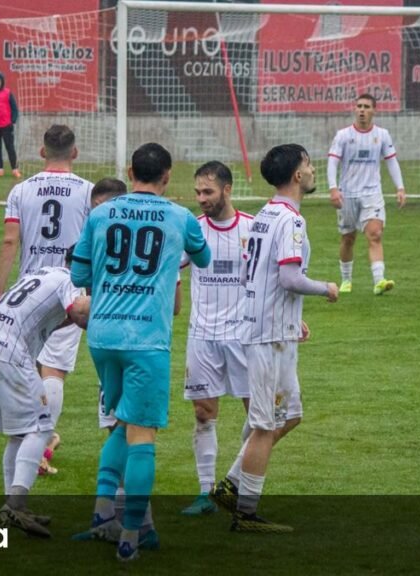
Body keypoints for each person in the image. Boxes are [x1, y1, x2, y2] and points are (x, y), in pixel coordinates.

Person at [70, 143, 211, 561]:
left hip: (102, 337)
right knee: (142, 434)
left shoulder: (100, 214)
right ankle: (131, 534)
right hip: (146, 340)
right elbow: (201, 258)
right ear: (167, 176)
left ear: (130, 171)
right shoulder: (180, 217)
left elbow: (78, 273)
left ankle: (101, 507)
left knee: (120, 422)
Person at [217, 144, 338, 533]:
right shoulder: (290, 221)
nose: (313, 169)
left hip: (275, 329)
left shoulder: (266, 215)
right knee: (267, 424)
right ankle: (247, 513)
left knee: (291, 414)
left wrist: (293, 317)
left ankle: (233, 484)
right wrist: (326, 288)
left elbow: (263, 277)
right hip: (268, 336)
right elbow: (288, 278)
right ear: (298, 175)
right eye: (308, 163)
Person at [0, 124, 93, 470]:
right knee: (55, 371)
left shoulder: (21, 189)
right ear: (75, 153)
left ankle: (31, 441)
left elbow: (9, 241)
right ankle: (42, 445)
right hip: (69, 289)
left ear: (42, 152)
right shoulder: (88, 191)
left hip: (28, 291)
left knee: (33, 367)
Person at [0, 264, 90, 538]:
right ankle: (16, 504)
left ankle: (12, 508)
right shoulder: (72, 280)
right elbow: (79, 313)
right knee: (42, 427)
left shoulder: (39, 273)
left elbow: (58, 318)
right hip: (10, 355)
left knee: (18, 434)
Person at [179, 161, 253, 516]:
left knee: (259, 416)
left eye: (207, 192)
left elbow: (274, 281)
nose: (201, 198)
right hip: (202, 336)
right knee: (203, 413)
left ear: (227, 189)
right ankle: (206, 493)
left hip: (245, 337)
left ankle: (237, 483)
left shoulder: (254, 230)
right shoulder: (191, 230)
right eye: (197, 192)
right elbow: (167, 270)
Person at [327, 93, 406, 296]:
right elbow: (333, 162)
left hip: (372, 194)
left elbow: (391, 161)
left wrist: (400, 187)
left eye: (366, 107)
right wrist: (333, 188)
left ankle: (379, 281)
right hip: (348, 195)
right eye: (359, 106)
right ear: (355, 109)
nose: (362, 110)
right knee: (348, 239)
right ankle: (346, 280)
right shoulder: (343, 135)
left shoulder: (382, 135)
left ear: (374, 110)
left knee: (375, 234)